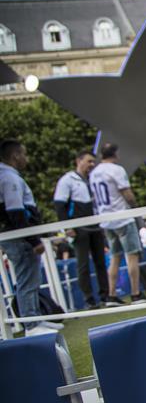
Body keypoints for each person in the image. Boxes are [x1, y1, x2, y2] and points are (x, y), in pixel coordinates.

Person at [0, 139, 62, 336]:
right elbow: (15, 212)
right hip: (20, 238)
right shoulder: (9, 178)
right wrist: (33, 240)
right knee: (27, 278)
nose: (26, 158)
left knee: (30, 278)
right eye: (24, 154)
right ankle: (31, 324)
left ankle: (35, 317)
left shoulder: (8, 176)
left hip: (18, 236)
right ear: (15, 156)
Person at [89, 143, 146, 305]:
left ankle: (111, 295)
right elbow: (127, 194)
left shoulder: (94, 173)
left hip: (106, 219)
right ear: (115, 154)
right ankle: (135, 293)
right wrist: (135, 208)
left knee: (114, 257)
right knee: (132, 255)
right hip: (122, 216)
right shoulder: (116, 170)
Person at [53, 150, 111, 308]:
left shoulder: (93, 179)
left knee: (101, 261)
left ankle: (106, 296)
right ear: (78, 161)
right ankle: (89, 299)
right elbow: (59, 205)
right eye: (89, 161)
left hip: (95, 226)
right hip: (79, 228)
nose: (92, 165)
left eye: (93, 162)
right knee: (83, 264)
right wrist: (67, 227)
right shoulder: (67, 180)